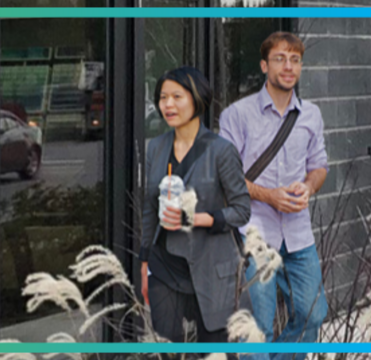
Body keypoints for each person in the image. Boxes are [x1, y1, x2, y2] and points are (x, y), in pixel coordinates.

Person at [219, 31, 329, 360]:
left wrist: (309, 187)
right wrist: (269, 196)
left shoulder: (312, 116)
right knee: (259, 328)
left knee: (314, 315)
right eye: (280, 58)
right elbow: (226, 176)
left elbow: (319, 165)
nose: (288, 66)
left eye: (295, 60)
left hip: (298, 233)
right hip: (256, 234)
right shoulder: (237, 115)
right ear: (264, 65)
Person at [139, 66, 252, 351]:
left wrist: (197, 218)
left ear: (198, 99)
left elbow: (242, 210)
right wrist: (144, 264)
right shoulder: (156, 147)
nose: (168, 104)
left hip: (212, 269)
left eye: (177, 96)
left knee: (214, 354)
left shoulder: (221, 150)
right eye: (163, 97)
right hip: (165, 267)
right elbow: (150, 210)